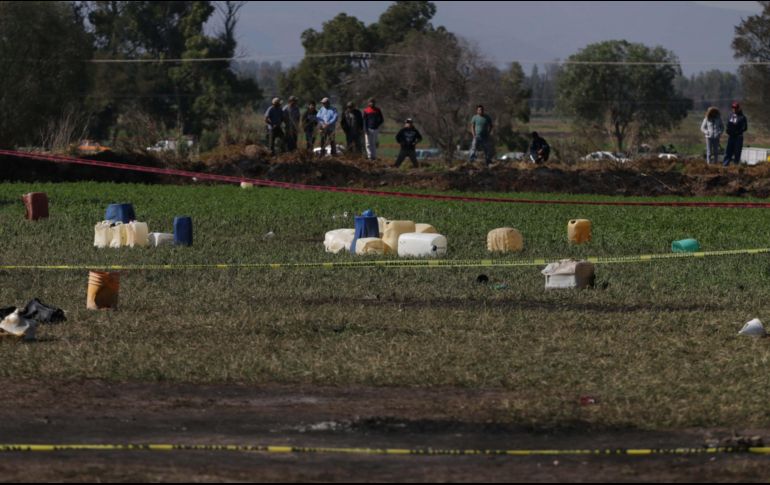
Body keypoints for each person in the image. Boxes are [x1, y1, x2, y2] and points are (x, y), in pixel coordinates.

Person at [723, 101, 748, 166]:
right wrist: (727, 130)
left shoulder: (742, 117)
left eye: (736, 108)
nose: (734, 109)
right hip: (731, 137)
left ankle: (735, 165)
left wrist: (737, 132)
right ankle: (725, 165)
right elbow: (728, 124)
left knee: (737, 152)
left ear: (738, 108)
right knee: (728, 151)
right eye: (733, 108)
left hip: (738, 137)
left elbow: (744, 127)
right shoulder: (730, 116)